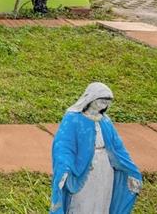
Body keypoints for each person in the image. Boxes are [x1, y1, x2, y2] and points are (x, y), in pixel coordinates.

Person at [51, 82, 142, 213]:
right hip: (83, 170)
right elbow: (63, 146)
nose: (104, 104)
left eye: (107, 101)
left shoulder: (105, 121)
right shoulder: (73, 119)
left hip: (105, 168)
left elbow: (118, 148)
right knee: (83, 201)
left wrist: (132, 170)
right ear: (91, 98)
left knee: (102, 198)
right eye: (102, 100)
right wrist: (64, 167)